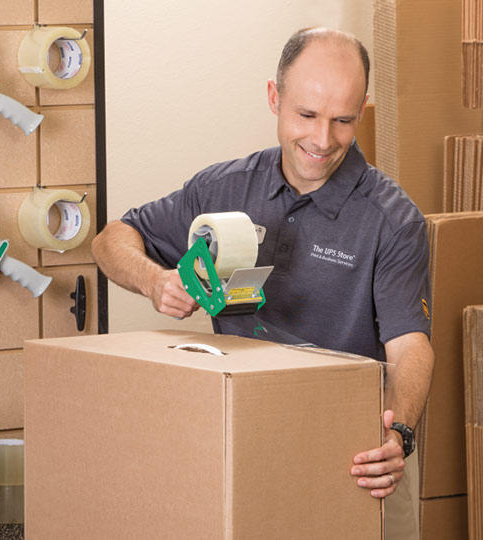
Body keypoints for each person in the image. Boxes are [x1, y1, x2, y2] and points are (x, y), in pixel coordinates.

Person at [92, 27, 435, 539]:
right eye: (307, 115)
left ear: (361, 111)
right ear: (274, 98)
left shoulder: (392, 220)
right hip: (242, 440)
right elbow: (111, 239)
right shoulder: (224, 188)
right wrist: (155, 280)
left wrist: (400, 434)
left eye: (342, 120)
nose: (323, 140)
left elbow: (410, 347)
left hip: (355, 457)